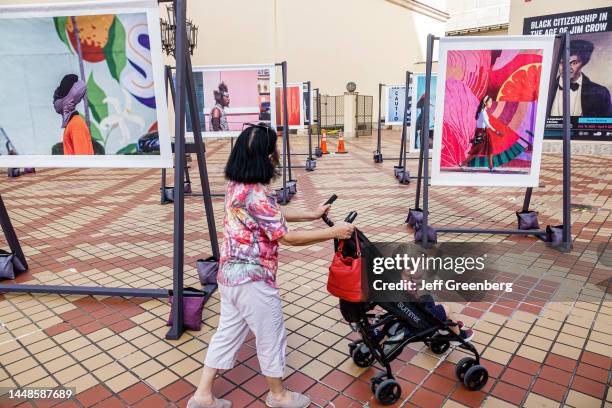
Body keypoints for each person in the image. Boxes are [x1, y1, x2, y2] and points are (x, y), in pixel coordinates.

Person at [188, 123, 355, 408]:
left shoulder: (237, 186)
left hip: (229, 277)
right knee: (271, 335)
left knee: (227, 334)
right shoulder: (256, 194)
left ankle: (203, 396)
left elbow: (270, 215)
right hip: (253, 280)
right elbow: (286, 237)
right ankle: (278, 396)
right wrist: (333, 232)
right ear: (265, 157)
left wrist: (312, 214)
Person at [551, 39, 612, 117]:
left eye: (574, 63)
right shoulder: (545, 90)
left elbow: (606, 125)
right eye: (563, 62)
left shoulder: (601, 93)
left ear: (583, 63)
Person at [53, 74, 94, 155]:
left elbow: (82, 161)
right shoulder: (72, 123)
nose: (55, 100)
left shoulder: (76, 125)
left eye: (62, 93)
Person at [461, 95, 502, 171]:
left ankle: (490, 167)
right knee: (477, 151)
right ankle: (462, 163)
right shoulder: (483, 112)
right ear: (485, 103)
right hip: (481, 133)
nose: (491, 103)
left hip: (483, 132)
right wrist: (496, 132)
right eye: (489, 102)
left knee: (490, 149)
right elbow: (488, 124)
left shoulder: (482, 112)